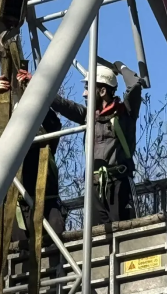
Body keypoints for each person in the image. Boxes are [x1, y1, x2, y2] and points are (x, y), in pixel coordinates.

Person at [49, 62, 145, 226]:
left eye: (88, 88)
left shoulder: (125, 112)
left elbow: (135, 84)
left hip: (119, 183)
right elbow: (62, 104)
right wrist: (34, 85)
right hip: (94, 187)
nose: (84, 93)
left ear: (102, 91)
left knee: (124, 232)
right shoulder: (87, 116)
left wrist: (120, 67)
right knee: (97, 236)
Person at [0, 69, 65, 244]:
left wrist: (35, 92)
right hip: (19, 209)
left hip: (48, 204)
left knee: (55, 246)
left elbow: (53, 124)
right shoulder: (10, 147)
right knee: (19, 252)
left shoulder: (44, 141)